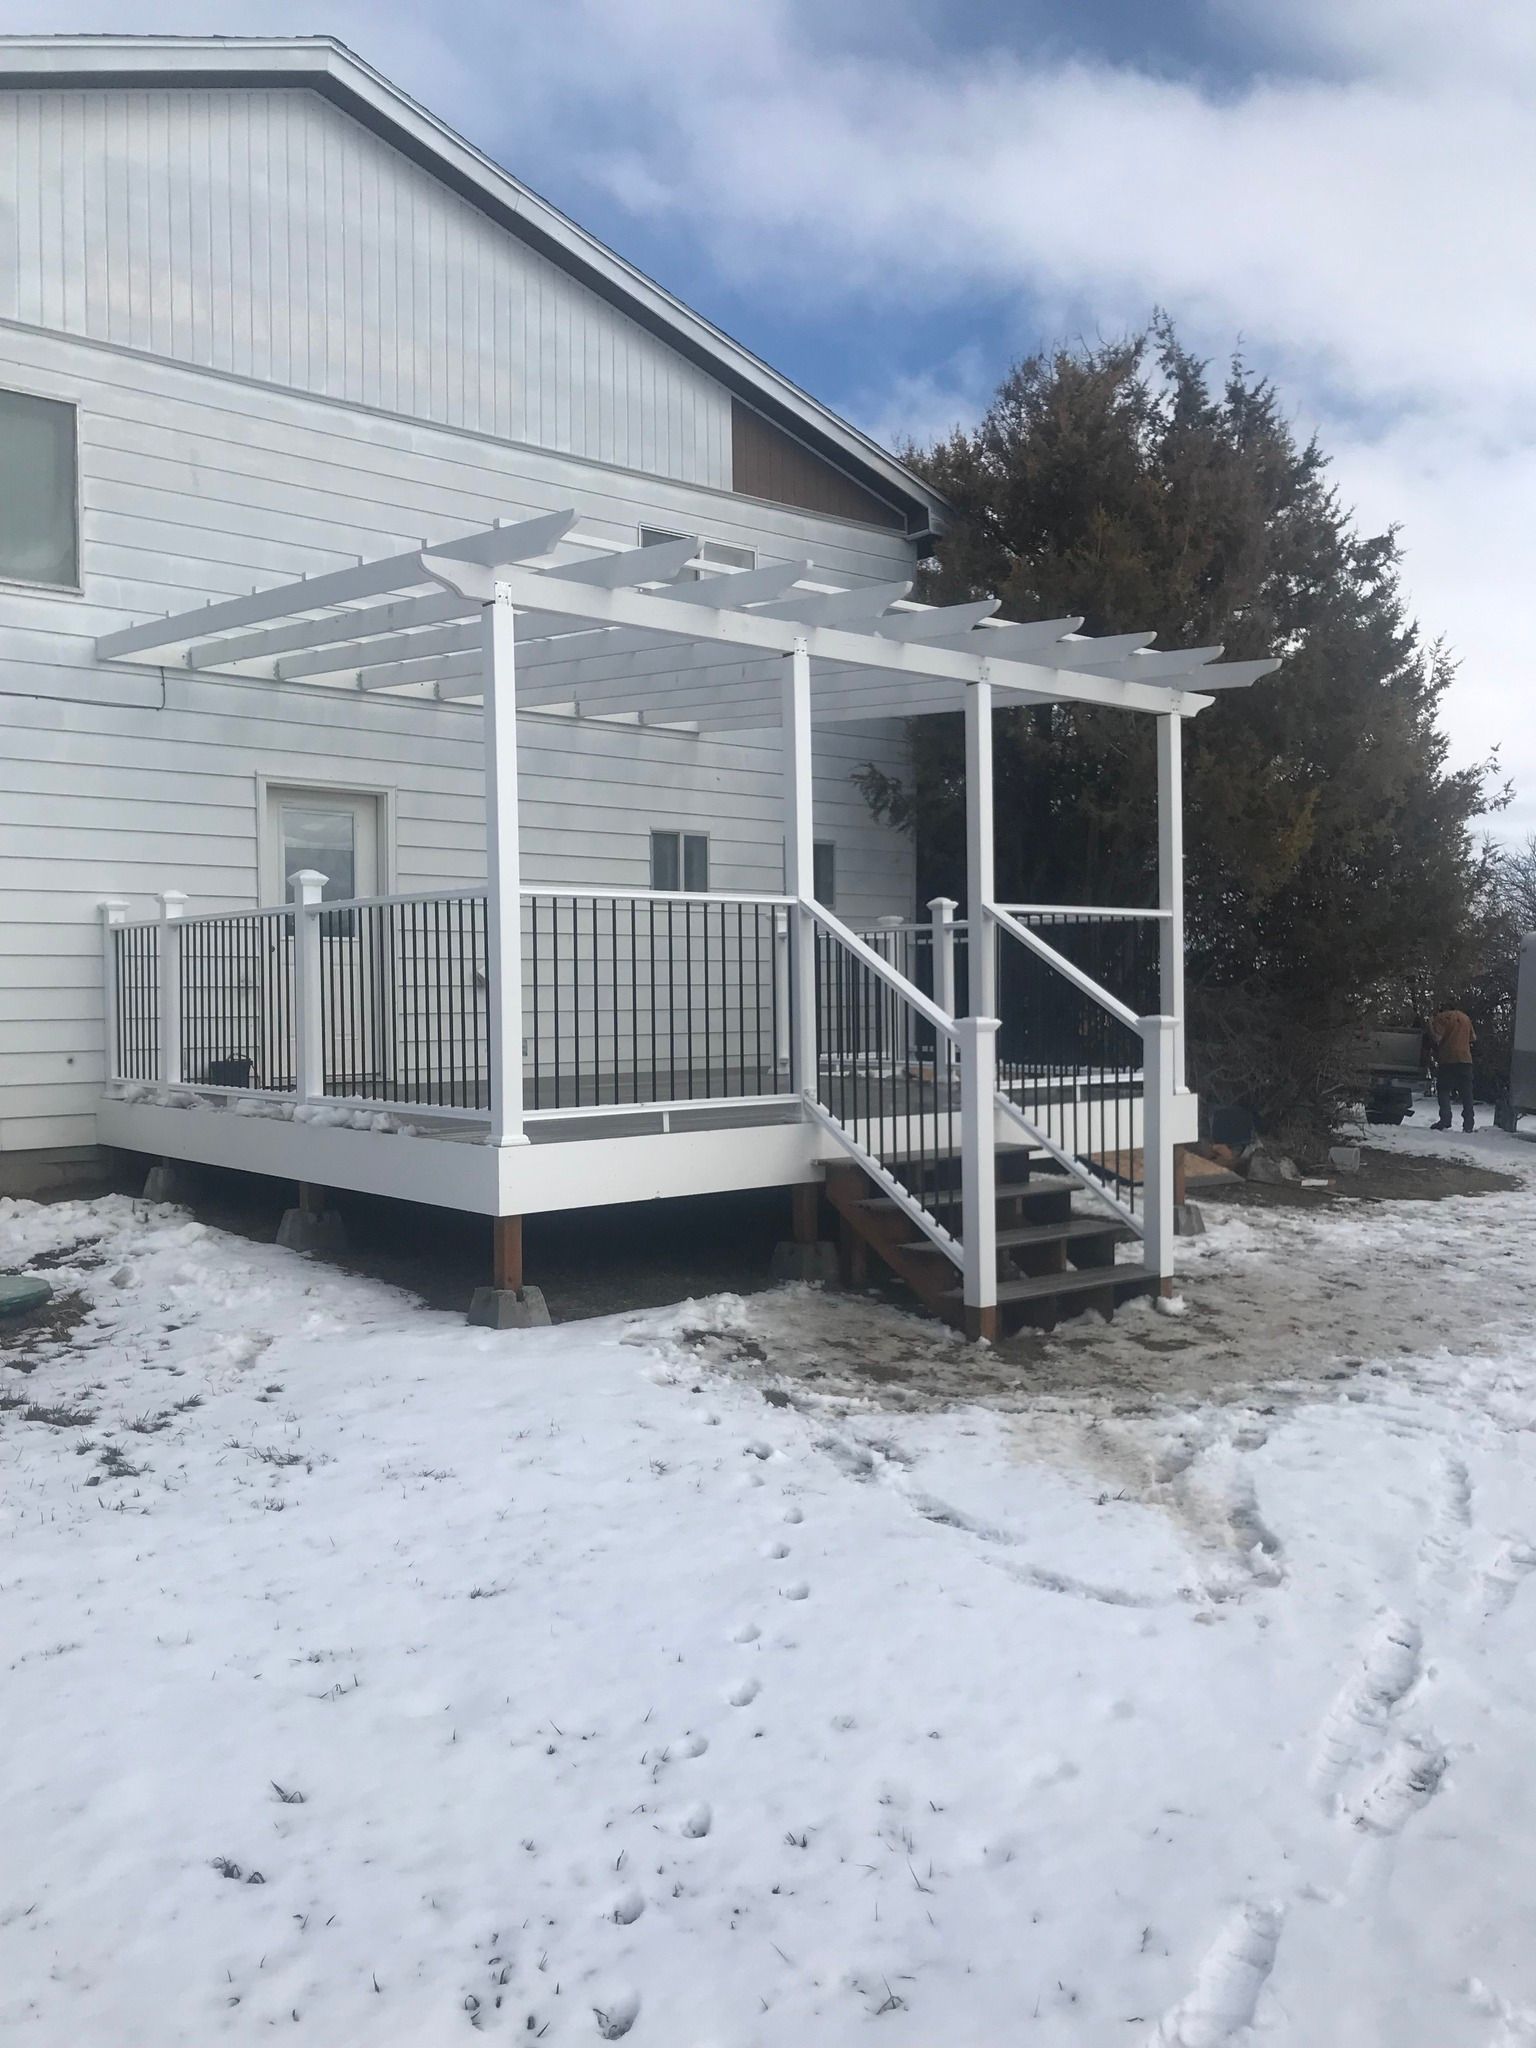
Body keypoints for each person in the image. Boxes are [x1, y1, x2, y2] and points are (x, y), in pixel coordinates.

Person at [1428, 1002, 1477, 1132]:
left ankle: (1445, 1119)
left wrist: (1430, 1025)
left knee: (1443, 1089)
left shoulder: (1442, 1017)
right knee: (1467, 1093)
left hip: (1448, 1058)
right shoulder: (1465, 1018)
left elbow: (1437, 1037)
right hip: (1466, 1059)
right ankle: (1468, 1123)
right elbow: (1473, 1038)